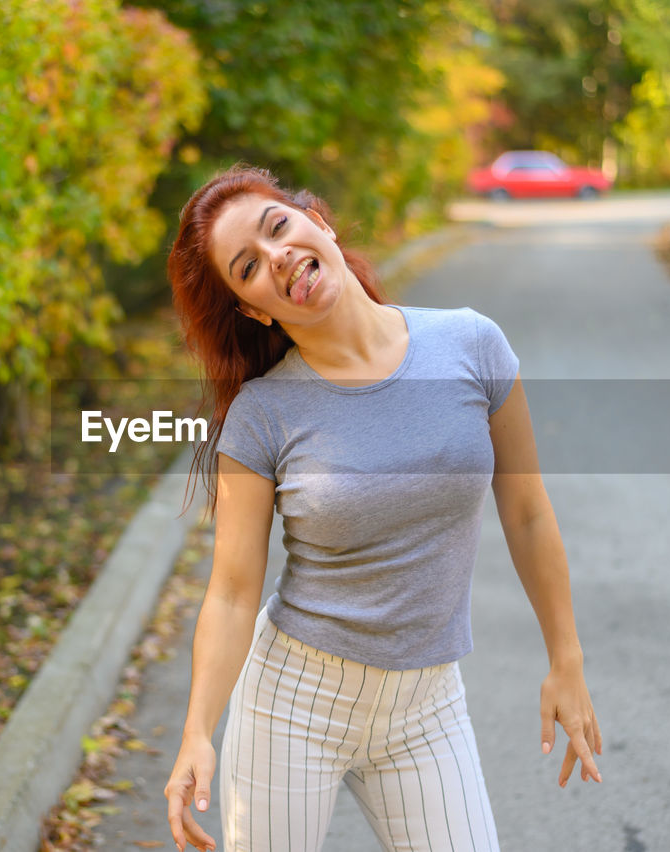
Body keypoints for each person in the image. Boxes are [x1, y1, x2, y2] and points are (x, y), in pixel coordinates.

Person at [162, 165, 602, 852]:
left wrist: (565, 659)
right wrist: (196, 733)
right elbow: (231, 591)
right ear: (251, 308)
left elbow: (527, 513)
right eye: (247, 267)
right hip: (294, 707)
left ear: (318, 222)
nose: (276, 257)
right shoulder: (262, 417)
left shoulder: (470, 345)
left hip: (427, 709)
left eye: (278, 226)